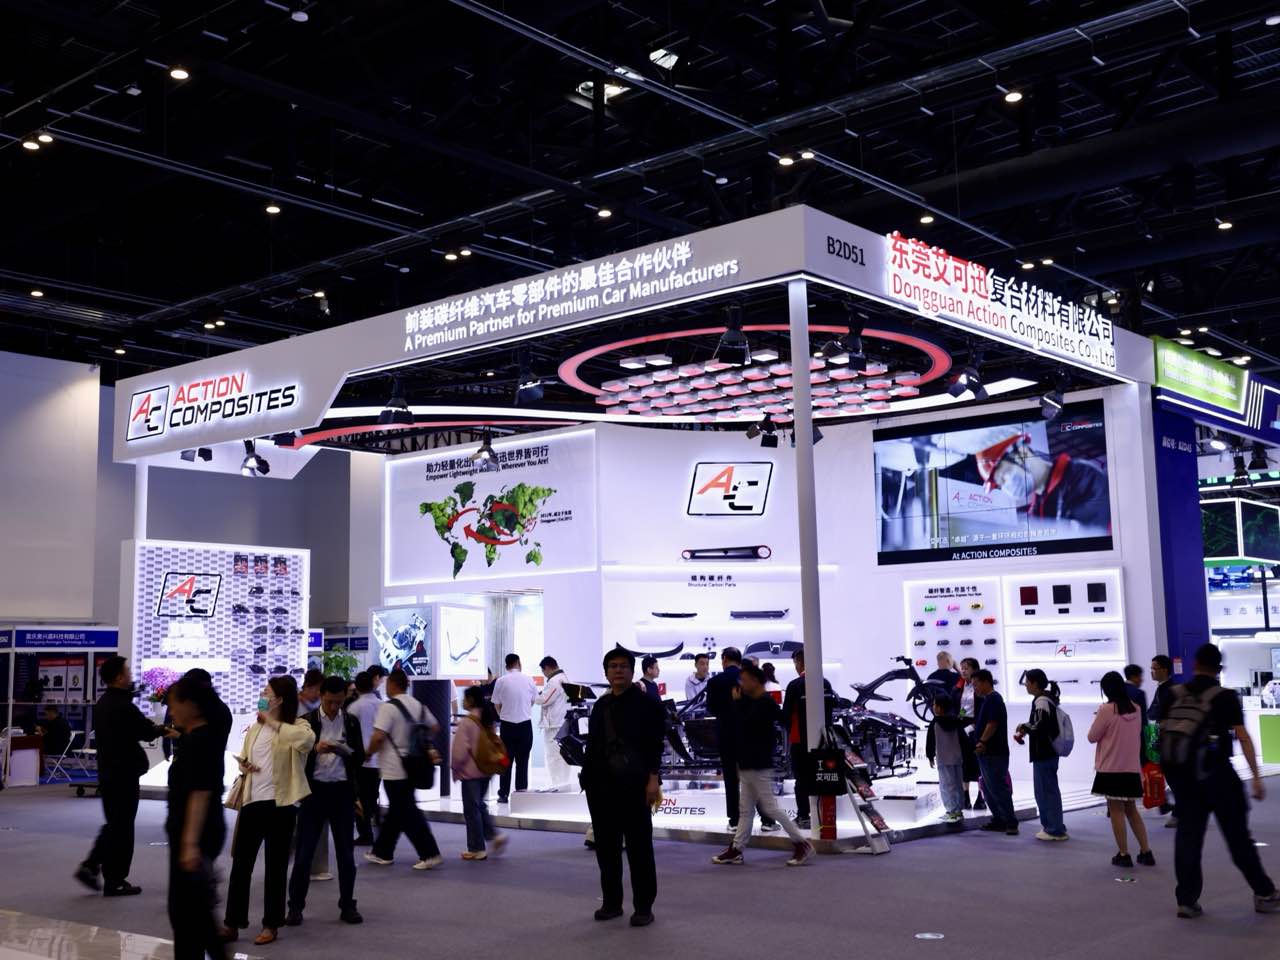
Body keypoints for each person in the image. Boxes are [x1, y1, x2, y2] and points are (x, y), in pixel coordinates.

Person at [1165, 643, 1279, 918]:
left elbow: (1164, 733)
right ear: (1218, 669)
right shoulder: (1225, 697)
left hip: (1185, 778)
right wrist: (1256, 777)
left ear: (1194, 664)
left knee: (1188, 838)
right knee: (1238, 837)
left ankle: (1186, 901)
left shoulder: (1174, 694)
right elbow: (1243, 737)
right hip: (1219, 776)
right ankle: (1264, 893)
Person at [222, 676, 315, 945]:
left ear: (280, 700)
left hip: (281, 805)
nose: (262, 697)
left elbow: (306, 741)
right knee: (241, 866)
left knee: (275, 868)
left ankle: (271, 924)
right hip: (252, 802)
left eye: (267, 693)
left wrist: (272, 722)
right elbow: (245, 757)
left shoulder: (298, 725)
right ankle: (232, 923)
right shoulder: (254, 729)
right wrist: (244, 765)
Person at [582, 648, 665, 927]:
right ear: (606, 672)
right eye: (613, 666)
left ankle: (643, 906)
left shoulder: (647, 704)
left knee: (639, 848)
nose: (618, 670)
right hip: (601, 787)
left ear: (632, 671)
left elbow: (655, 746)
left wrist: (653, 779)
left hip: (635, 786)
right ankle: (611, 903)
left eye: (623, 666)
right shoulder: (601, 706)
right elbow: (593, 744)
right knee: (606, 848)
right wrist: (587, 780)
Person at [75, 655, 170, 896]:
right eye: (127, 672)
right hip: (124, 773)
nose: (130, 675)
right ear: (119, 677)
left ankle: (94, 866)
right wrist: (165, 729)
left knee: (115, 823)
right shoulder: (122, 706)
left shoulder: (104, 703)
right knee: (122, 827)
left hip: (109, 772)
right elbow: (145, 731)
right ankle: (113, 878)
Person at [712, 664, 814, 866]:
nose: (741, 684)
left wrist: (737, 703)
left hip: (758, 764)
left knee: (769, 808)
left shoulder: (764, 703)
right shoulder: (755, 702)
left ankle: (802, 844)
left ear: (755, 680)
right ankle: (737, 849)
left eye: (744, 679)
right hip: (749, 763)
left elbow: (746, 725)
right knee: (746, 810)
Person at [286, 676, 365, 927]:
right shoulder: (306, 722)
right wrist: (314, 748)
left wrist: (345, 751)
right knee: (304, 854)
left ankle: (348, 905)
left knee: (346, 855)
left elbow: (360, 758)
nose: (333, 707)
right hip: (314, 792)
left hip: (342, 792)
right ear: (321, 696)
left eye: (338, 702)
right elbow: (293, 755)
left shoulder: (350, 722)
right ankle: (295, 907)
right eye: (329, 701)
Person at [165, 676, 227, 960]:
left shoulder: (201, 740)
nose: (171, 710)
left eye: (173, 704)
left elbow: (200, 793)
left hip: (196, 835)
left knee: (189, 912)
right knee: (190, 911)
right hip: (191, 833)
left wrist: (189, 843)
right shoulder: (194, 738)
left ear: (190, 704)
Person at [364, 669, 443, 870]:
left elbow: (378, 737)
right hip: (414, 766)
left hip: (394, 768)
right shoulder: (418, 706)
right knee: (397, 811)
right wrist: (419, 743)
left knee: (407, 812)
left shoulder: (388, 708)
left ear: (392, 684)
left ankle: (430, 853)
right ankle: (382, 852)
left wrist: (368, 753)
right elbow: (435, 727)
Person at [1087, 671, 1153, 869]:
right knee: (1132, 810)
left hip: (1110, 769)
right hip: (1131, 767)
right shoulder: (1136, 709)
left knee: (1116, 811)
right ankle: (1146, 851)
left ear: (1106, 690)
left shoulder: (1106, 710)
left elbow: (1092, 736)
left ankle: (1124, 854)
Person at [976, 432, 1110, 529]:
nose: (1006, 488)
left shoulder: (1083, 476)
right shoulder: (1038, 509)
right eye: (1000, 485)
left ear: (1022, 454)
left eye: (1003, 476)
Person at [451, 686, 508, 860]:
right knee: (479, 805)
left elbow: (459, 752)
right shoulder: (486, 719)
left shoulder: (467, 722)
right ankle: (494, 835)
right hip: (486, 770)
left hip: (471, 773)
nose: (463, 701)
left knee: (471, 810)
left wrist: (455, 768)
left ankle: (476, 848)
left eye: (465, 698)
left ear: (471, 700)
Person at [780, 649, 833, 830]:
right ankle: (824, 817)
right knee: (822, 778)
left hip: (799, 740)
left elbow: (785, 716)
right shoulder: (825, 683)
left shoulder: (794, 685)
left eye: (795, 663)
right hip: (823, 740)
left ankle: (803, 816)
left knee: (801, 780)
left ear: (799, 663)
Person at [1013, 669, 1068, 841]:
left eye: (1027, 682)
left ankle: (1053, 829)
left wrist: (1024, 727)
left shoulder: (1041, 701)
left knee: (1045, 792)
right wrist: (1027, 727)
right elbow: (1041, 724)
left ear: (1034, 683)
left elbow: (1041, 727)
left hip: (1044, 753)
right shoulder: (1046, 699)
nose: (1025, 685)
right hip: (1048, 753)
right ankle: (1056, 826)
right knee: (1050, 790)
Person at [971, 669, 1017, 835]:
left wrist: (982, 741)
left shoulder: (994, 700)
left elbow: (992, 724)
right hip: (988, 754)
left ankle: (1010, 822)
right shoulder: (989, 700)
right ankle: (1000, 820)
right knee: (989, 789)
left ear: (985, 682)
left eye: (976, 684)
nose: (974, 688)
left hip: (994, 753)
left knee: (998, 788)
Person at [491, 654, 537, 803]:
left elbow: (496, 704)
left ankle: (503, 794)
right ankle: (521, 794)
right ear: (519, 663)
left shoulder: (501, 681)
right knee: (522, 761)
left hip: (507, 727)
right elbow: (532, 701)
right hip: (525, 725)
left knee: (505, 761)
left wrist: (503, 715)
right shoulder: (529, 679)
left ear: (506, 666)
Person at [348, 672, 381, 844]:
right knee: (373, 796)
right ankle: (375, 825)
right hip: (380, 759)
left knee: (360, 797)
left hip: (362, 759)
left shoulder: (354, 707)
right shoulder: (382, 705)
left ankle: (365, 832)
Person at [926, 696, 969, 822]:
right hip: (957, 758)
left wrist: (930, 756)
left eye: (935, 704)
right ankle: (959, 810)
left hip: (943, 759)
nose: (933, 706)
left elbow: (930, 741)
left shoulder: (935, 722)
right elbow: (964, 738)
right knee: (958, 784)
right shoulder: (956, 721)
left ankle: (951, 811)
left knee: (946, 786)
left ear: (940, 708)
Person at [1149, 654, 1178, 823]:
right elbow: (1152, 712)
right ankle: (1165, 804)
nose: (1152, 672)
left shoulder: (1170, 689)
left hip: (1167, 737)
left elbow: (1156, 712)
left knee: (1171, 774)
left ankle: (1178, 811)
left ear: (1164, 670)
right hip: (1159, 734)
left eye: (1155, 668)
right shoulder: (1162, 688)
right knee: (1159, 771)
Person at [537, 656, 572, 792]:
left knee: (554, 757)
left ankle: (557, 786)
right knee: (563, 757)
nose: (544, 674)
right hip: (562, 723)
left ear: (547, 668)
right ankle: (563, 785)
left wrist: (533, 695)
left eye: (543, 671)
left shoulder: (554, 681)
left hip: (555, 726)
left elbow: (544, 700)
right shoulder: (564, 678)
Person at [955, 657, 984, 810]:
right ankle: (965, 795)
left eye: (967, 668)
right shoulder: (961, 686)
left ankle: (981, 796)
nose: (963, 671)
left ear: (975, 670)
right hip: (962, 727)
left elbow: (982, 712)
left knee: (979, 764)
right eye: (962, 668)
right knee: (964, 763)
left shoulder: (980, 688)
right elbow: (962, 708)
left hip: (977, 728)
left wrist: (972, 726)